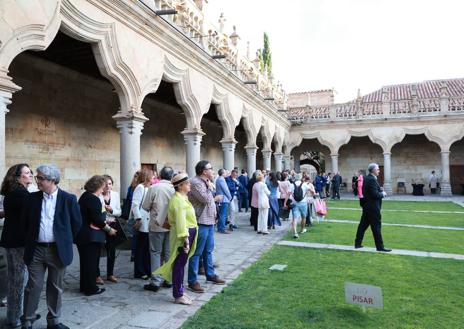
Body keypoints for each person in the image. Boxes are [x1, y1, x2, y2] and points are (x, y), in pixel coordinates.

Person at [22, 164, 82, 329]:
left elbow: (77, 224)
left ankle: (54, 321)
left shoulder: (69, 199)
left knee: (55, 287)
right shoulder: (32, 199)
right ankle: (27, 320)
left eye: (40, 178)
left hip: (57, 250)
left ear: (52, 180)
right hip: (36, 249)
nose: (37, 181)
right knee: (33, 286)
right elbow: (25, 223)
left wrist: (65, 241)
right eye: (37, 177)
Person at [154, 173, 198, 305]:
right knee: (178, 265)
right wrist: (185, 239)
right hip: (182, 236)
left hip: (186, 233)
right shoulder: (178, 200)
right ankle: (178, 295)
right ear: (181, 186)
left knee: (181, 264)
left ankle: (180, 290)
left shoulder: (182, 197)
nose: (190, 185)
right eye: (188, 183)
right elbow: (180, 222)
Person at [0, 164, 33, 328]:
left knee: (15, 279)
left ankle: (15, 316)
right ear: (18, 176)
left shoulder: (12, 193)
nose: (31, 175)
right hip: (19, 242)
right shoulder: (21, 194)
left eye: (30, 172)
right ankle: (16, 318)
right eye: (27, 173)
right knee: (19, 280)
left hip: (11, 240)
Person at [187, 160, 225, 293]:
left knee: (208, 250)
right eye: (211, 168)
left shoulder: (206, 182)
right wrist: (211, 188)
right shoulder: (196, 182)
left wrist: (210, 188)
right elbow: (205, 199)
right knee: (196, 252)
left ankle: (210, 275)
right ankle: (192, 281)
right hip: (200, 221)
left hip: (209, 221)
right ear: (204, 171)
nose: (213, 171)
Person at [76, 175, 117, 296]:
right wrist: (109, 229)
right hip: (91, 236)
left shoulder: (85, 196)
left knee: (86, 262)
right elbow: (97, 220)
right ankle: (91, 288)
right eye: (104, 185)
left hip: (83, 235)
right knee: (91, 263)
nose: (106, 187)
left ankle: (85, 286)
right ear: (100, 186)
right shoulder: (93, 199)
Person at [142, 166, 175, 292]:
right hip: (171, 225)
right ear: (171, 176)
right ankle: (169, 279)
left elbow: (145, 206)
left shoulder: (154, 188)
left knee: (155, 253)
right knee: (168, 253)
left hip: (157, 225)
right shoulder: (175, 188)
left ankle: (156, 281)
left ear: (160, 175)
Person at [354, 163, 391, 252]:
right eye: (378, 169)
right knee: (376, 227)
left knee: (362, 225)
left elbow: (370, 192)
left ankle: (357, 244)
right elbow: (374, 195)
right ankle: (380, 247)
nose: (379, 170)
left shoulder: (368, 178)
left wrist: (379, 190)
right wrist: (383, 194)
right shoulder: (371, 179)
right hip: (372, 208)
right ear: (373, 170)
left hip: (367, 206)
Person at [98, 175, 121, 284]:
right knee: (98, 251)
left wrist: (112, 210)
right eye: (106, 184)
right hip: (101, 225)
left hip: (113, 225)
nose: (108, 186)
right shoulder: (98, 195)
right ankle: (96, 275)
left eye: (110, 184)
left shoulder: (115, 195)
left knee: (112, 250)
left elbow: (119, 212)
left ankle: (110, 274)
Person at [131, 169, 152, 279]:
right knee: (141, 247)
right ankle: (140, 271)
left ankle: (147, 269)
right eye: (151, 176)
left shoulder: (148, 188)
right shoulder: (140, 187)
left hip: (148, 220)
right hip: (142, 220)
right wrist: (138, 219)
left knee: (146, 247)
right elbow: (135, 204)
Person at [285, 173, 309, 239]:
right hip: (303, 203)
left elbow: (288, 194)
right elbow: (310, 190)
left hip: (294, 203)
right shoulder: (304, 184)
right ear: (301, 178)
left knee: (295, 218)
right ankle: (302, 229)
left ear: (294, 178)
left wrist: (285, 203)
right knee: (303, 217)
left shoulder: (292, 185)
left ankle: (295, 233)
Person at [121, 171, 139, 262]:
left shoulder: (130, 187)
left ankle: (133, 254)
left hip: (132, 213)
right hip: (137, 214)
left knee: (134, 236)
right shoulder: (138, 188)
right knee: (137, 236)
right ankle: (135, 254)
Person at [215, 169, 232, 234]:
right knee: (223, 214)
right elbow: (226, 190)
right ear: (222, 173)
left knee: (222, 214)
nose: (226, 174)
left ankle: (220, 227)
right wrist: (230, 197)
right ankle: (222, 228)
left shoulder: (219, 179)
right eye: (225, 172)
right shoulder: (221, 179)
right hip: (224, 199)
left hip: (221, 199)